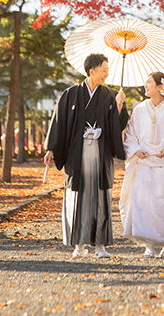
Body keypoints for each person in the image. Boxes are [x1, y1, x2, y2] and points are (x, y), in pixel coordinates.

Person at [44, 53, 128, 258]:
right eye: (103, 70)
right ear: (92, 71)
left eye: (108, 70)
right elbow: (58, 124)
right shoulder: (70, 94)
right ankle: (78, 245)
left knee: (100, 197)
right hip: (77, 153)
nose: (107, 74)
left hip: (100, 152)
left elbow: (118, 125)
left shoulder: (111, 95)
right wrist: (51, 149)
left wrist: (118, 107)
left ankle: (101, 246)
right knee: (78, 197)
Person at [119, 72, 164, 258]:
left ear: (160, 87)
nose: (146, 86)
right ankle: (148, 245)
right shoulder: (139, 109)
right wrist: (136, 150)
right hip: (144, 164)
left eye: (149, 83)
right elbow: (130, 135)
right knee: (144, 205)